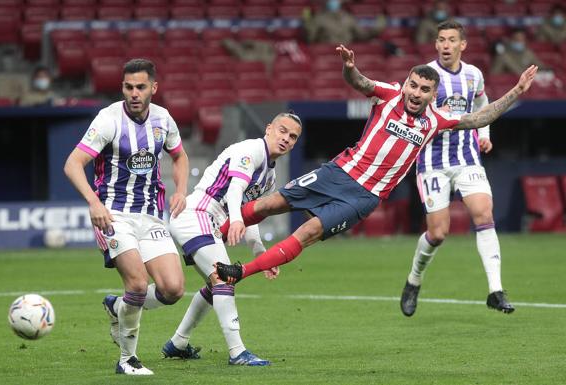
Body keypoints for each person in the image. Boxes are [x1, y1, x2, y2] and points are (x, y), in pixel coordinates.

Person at [213, 45, 537, 288]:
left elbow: (479, 117)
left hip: (363, 197)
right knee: (271, 203)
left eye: (424, 89)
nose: (415, 93)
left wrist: (516, 91)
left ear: (433, 94)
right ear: (406, 83)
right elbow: (359, 81)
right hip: (338, 172)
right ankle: (206, 238)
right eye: (413, 85)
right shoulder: (389, 94)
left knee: (308, 231)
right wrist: (349, 67)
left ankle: (240, 272)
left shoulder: (437, 120)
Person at [63, 58, 190, 376]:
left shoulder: (163, 119)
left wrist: (181, 190)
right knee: (136, 283)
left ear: (153, 88)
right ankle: (127, 359)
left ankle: (117, 307)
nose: (134, 93)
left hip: (151, 216)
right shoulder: (108, 120)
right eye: (128, 87)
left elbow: (180, 155)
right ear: (123, 87)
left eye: (141, 87)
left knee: (173, 289)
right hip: (113, 214)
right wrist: (94, 204)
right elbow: (73, 164)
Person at [162, 112, 302, 366]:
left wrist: (259, 251)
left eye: (292, 137)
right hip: (198, 214)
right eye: (282, 131)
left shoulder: (269, 175)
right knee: (225, 278)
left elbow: (250, 213)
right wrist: (236, 219)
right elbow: (236, 189)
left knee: (213, 284)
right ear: (269, 128)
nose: (286, 139)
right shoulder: (251, 150)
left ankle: (177, 342)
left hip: (204, 221)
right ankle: (237, 352)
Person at [400, 20, 514, 318]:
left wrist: (485, 135)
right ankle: (414, 280)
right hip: (432, 160)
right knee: (437, 234)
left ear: (463, 44)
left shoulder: (474, 75)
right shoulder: (425, 76)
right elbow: (407, 109)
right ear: (435, 44)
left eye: (451, 40)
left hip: (466, 157)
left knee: (483, 213)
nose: (445, 45)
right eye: (440, 40)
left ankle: (495, 290)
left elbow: (482, 101)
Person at [304, 0, 386, 45]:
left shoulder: (348, 18)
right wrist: (306, 21)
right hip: (326, 58)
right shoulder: (319, 19)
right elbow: (310, 38)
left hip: (346, 56)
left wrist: (378, 27)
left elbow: (362, 35)